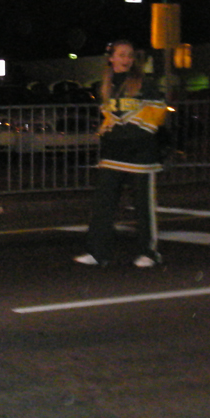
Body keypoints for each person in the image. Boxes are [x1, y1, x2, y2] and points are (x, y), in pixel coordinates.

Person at [74, 40, 168, 268]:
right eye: (122, 55)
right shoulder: (105, 86)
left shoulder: (145, 84)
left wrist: (135, 133)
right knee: (103, 205)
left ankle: (149, 252)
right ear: (111, 58)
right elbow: (109, 116)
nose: (126, 59)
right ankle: (98, 252)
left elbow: (157, 114)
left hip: (140, 155)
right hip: (113, 155)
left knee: (144, 206)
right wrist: (106, 132)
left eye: (130, 55)